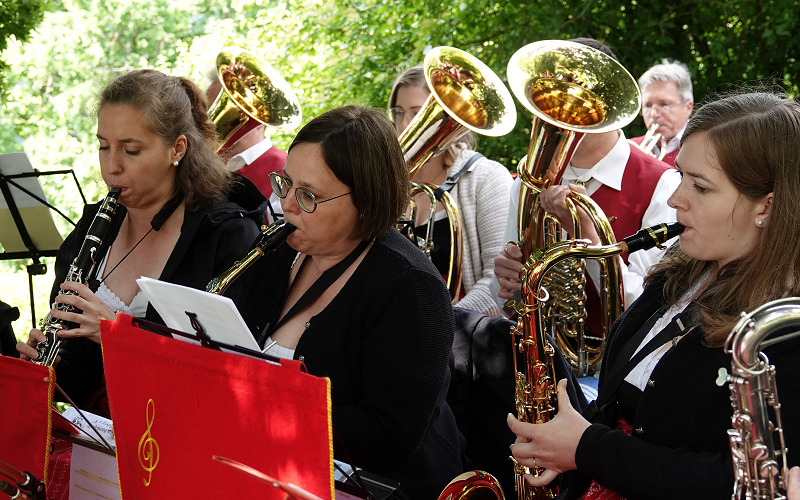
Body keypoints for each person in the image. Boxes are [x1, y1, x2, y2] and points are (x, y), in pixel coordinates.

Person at [507, 91, 800, 499]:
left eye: (700, 187)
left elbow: (741, 483)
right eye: (681, 175)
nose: (676, 199)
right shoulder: (686, 265)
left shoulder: (784, 328)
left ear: (765, 207)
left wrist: (587, 447)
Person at [232, 105, 466, 499]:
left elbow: (389, 437)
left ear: (367, 202)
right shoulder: (275, 250)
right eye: (285, 184)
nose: (286, 205)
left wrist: (267, 412)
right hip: (274, 472)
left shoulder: (412, 289)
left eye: (309, 195)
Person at [16, 69, 266, 416]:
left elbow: (233, 377)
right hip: (97, 439)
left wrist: (120, 339)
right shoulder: (93, 228)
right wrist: (47, 369)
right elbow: (81, 381)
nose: (111, 167)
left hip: (182, 439)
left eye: (130, 150)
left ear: (177, 149)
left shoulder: (228, 237)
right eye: (104, 147)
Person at [493, 39, 681, 336]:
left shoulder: (662, 184)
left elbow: (650, 308)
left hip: (614, 365)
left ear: (610, 106)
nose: (559, 113)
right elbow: (507, 302)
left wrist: (589, 239)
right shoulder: (530, 179)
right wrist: (508, 283)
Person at [388, 65, 513, 317]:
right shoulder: (388, 184)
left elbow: (498, 283)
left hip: (463, 339)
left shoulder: (486, 177)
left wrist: (438, 326)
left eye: (417, 113)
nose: (404, 125)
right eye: (398, 113)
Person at [206, 70, 288, 214]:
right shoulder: (202, 164)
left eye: (226, 110)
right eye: (208, 110)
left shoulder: (285, 169)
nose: (210, 121)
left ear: (259, 116)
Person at [629, 59, 694, 167]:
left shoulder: (704, 149)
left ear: (688, 108)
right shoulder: (630, 147)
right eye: (648, 106)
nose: (654, 114)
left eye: (664, 104)